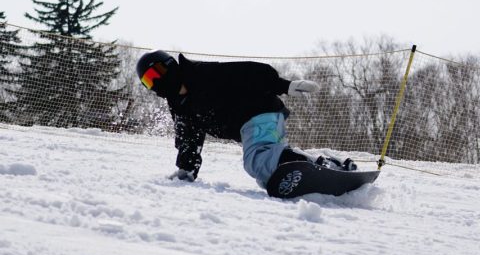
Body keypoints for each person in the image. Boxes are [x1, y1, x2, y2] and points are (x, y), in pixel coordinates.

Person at [136, 50, 356, 190]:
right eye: (148, 81)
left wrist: (285, 86)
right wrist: (186, 170)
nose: (154, 83)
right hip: (254, 123)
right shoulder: (179, 105)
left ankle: (320, 164)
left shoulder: (199, 74)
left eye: (155, 74)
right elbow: (189, 138)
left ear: (169, 66)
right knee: (269, 177)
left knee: (257, 162)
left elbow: (250, 72)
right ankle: (325, 163)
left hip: (257, 111)